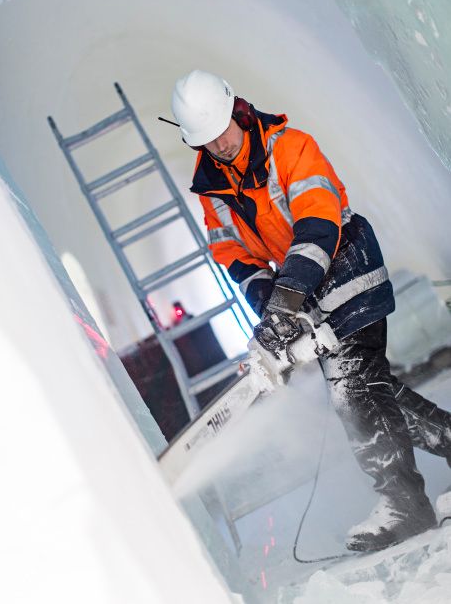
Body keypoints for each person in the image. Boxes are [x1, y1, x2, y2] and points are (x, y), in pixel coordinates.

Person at [170, 69, 451, 551]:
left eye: (222, 132)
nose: (218, 146)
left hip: (347, 264)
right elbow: (239, 258)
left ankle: (405, 505)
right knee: (373, 390)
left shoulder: (291, 148)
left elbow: (319, 226)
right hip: (304, 289)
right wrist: (271, 314)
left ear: (236, 110)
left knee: (352, 393)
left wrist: (286, 304)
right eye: (207, 141)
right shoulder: (214, 192)